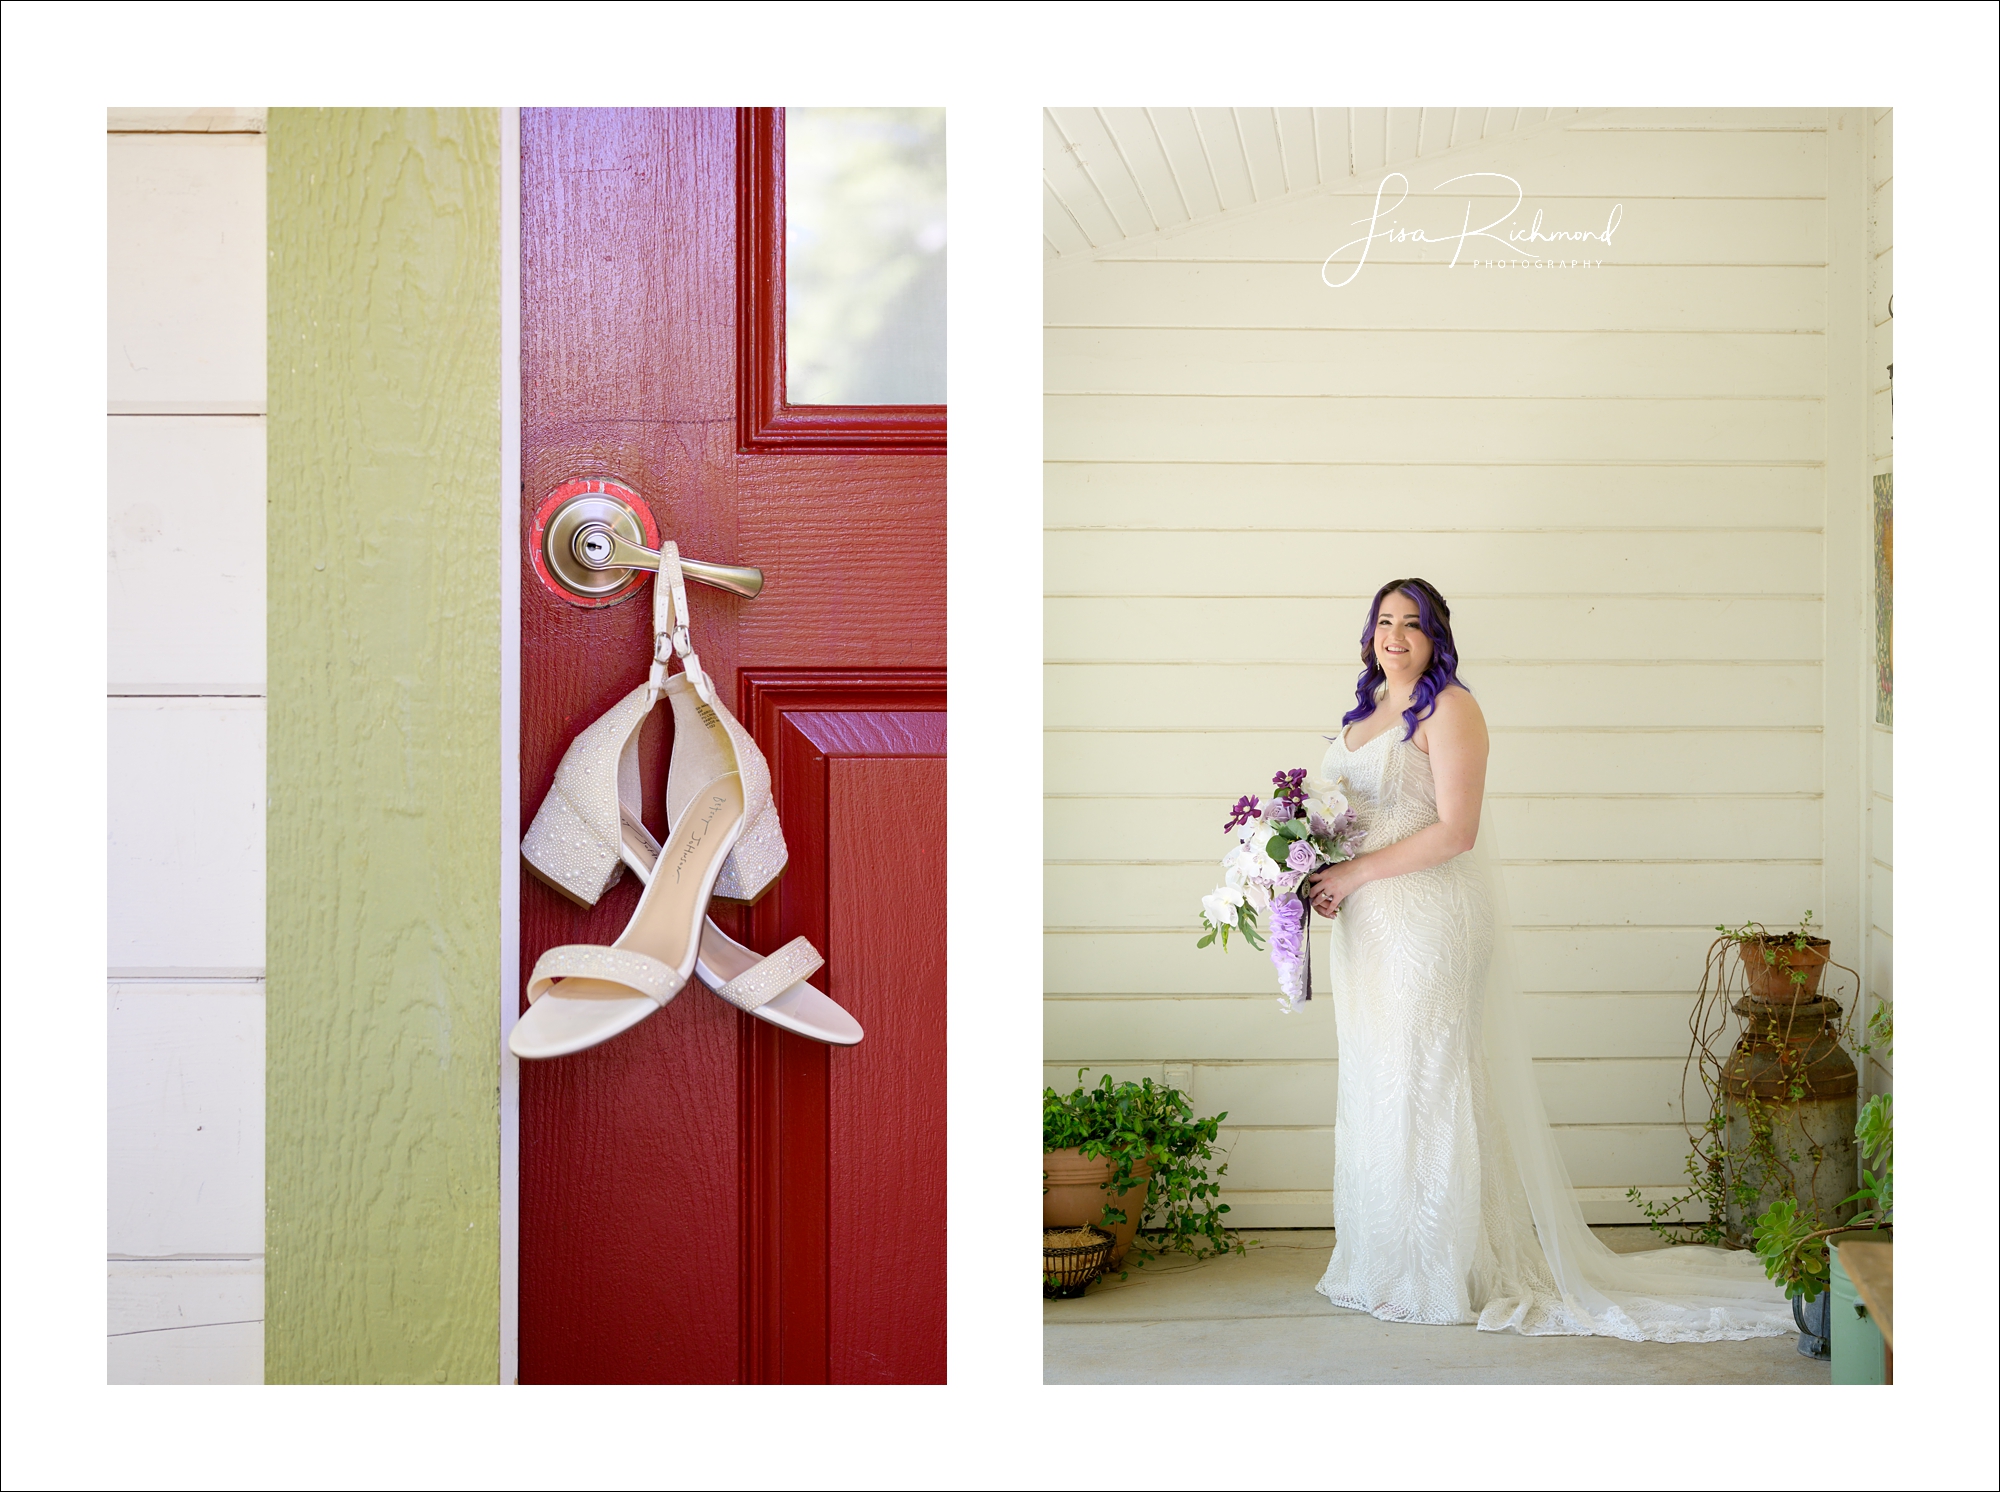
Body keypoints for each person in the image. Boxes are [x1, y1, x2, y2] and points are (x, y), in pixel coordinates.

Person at [1305, 578, 1791, 1339]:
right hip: (1367, 929)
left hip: (1429, 924)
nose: (1395, 636)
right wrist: (1306, 871)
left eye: (1412, 624)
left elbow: (1456, 831)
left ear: (1437, 637)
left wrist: (1352, 872)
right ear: (1369, 635)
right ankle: (1384, 1261)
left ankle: (1439, 1269)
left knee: (1428, 1080)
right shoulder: (1364, 716)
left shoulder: (1451, 709)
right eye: (1384, 622)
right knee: (1379, 1078)